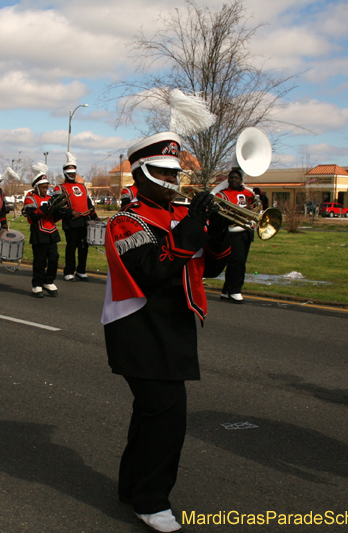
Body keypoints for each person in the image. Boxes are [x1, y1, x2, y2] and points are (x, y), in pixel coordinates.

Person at [103, 132, 230, 532]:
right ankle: (151, 500)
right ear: (139, 174)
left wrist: (220, 230)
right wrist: (193, 224)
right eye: (162, 171)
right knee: (167, 417)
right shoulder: (126, 220)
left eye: (174, 172)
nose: (172, 180)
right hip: (137, 327)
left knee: (150, 414)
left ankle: (132, 487)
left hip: (173, 327)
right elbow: (153, 269)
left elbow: (209, 270)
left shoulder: (179, 217)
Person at [54, 152, 98, 281]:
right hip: (71, 222)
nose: (73, 176)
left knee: (84, 246)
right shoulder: (60, 187)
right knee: (71, 247)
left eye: (74, 173)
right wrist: (70, 212)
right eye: (70, 174)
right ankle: (69, 271)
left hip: (85, 221)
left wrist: (94, 216)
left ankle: (81, 270)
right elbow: (57, 206)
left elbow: (88, 203)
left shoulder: (82, 187)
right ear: (65, 174)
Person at [216, 168, 255, 303]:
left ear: (241, 180)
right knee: (236, 262)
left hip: (247, 231)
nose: (234, 179)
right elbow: (218, 213)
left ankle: (226, 290)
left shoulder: (248, 193)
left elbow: (257, 205)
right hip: (233, 233)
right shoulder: (223, 194)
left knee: (239, 262)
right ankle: (235, 290)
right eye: (231, 177)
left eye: (236, 178)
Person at [23, 164, 60, 298]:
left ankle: (48, 281)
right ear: (37, 187)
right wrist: (46, 209)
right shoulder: (30, 198)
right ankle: (37, 284)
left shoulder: (50, 198)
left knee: (54, 258)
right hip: (39, 233)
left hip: (51, 233)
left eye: (47, 187)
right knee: (40, 261)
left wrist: (61, 211)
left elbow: (54, 217)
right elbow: (33, 215)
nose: (46, 190)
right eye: (44, 188)